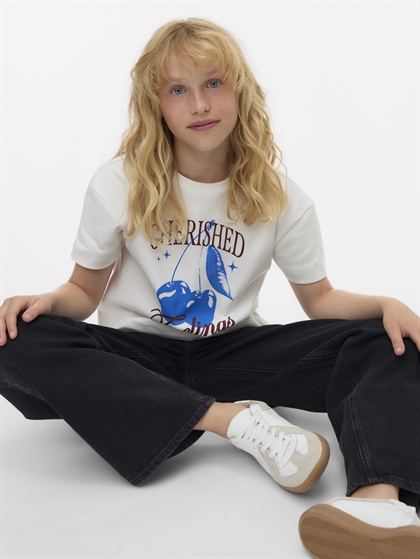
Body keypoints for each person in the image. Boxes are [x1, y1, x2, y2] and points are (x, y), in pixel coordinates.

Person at [0, 17, 419, 559]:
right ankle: (230, 419)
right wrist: (46, 304)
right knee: (14, 339)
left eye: (213, 83)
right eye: (178, 90)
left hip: (234, 354)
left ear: (240, 92)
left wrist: (387, 304)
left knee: (388, 340)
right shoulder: (119, 183)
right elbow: (83, 291)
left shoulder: (282, 198)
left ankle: (378, 505)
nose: (199, 104)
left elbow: (319, 301)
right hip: (135, 358)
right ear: (156, 105)